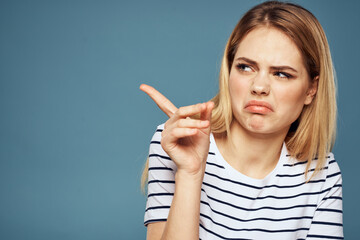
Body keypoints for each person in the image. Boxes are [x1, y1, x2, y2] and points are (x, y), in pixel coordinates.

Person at [140, 1, 343, 239]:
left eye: (281, 74)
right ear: (229, 71)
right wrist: (190, 174)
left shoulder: (322, 172)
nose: (259, 86)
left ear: (311, 89)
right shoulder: (178, 143)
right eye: (246, 67)